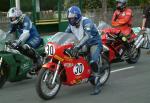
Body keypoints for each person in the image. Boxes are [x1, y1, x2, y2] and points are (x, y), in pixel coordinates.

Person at [65, 6, 103, 95]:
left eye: (72, 17)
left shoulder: (86, 22)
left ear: (77, 16)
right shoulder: (71, 25)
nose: (70, 19)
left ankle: (98, 83)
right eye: (69, 17)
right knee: (72, 55)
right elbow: (64, 34)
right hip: (83, 43)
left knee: (93, 61)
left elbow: (87, 36)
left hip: (94, 43)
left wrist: (77, 47)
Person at [6, 7, 42, 72]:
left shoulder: (25, 19)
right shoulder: (14, 23)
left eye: (12, 17)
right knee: (13, 47)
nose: (11, 19)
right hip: (24, 39)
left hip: (34, 38)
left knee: (25, 47)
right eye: (10, 18)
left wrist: (17, 42)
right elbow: (9, 33)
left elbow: (26, 34)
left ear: (18, 16)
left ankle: (38, 60)